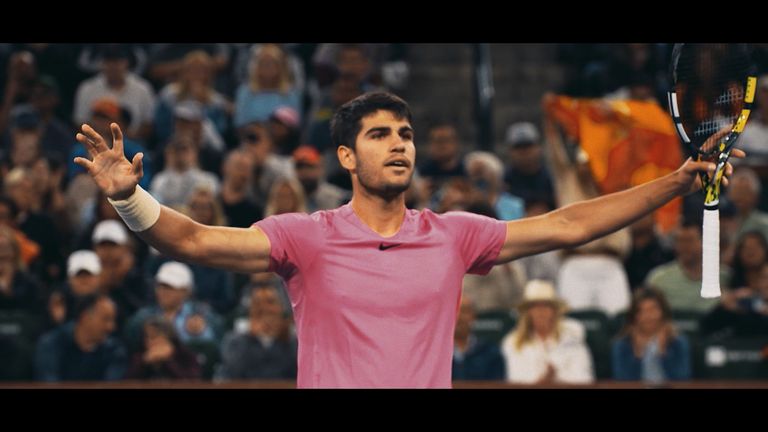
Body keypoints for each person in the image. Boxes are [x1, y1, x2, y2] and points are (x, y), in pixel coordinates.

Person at [73, 91, 739, 388]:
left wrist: (676, 184)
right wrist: (129, 197)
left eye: (407, 134)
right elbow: (193, 242)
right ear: (345, 157)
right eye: (380, 134)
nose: (399, 144)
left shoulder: (453, 236)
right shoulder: (304, 236)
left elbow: (570, 224)